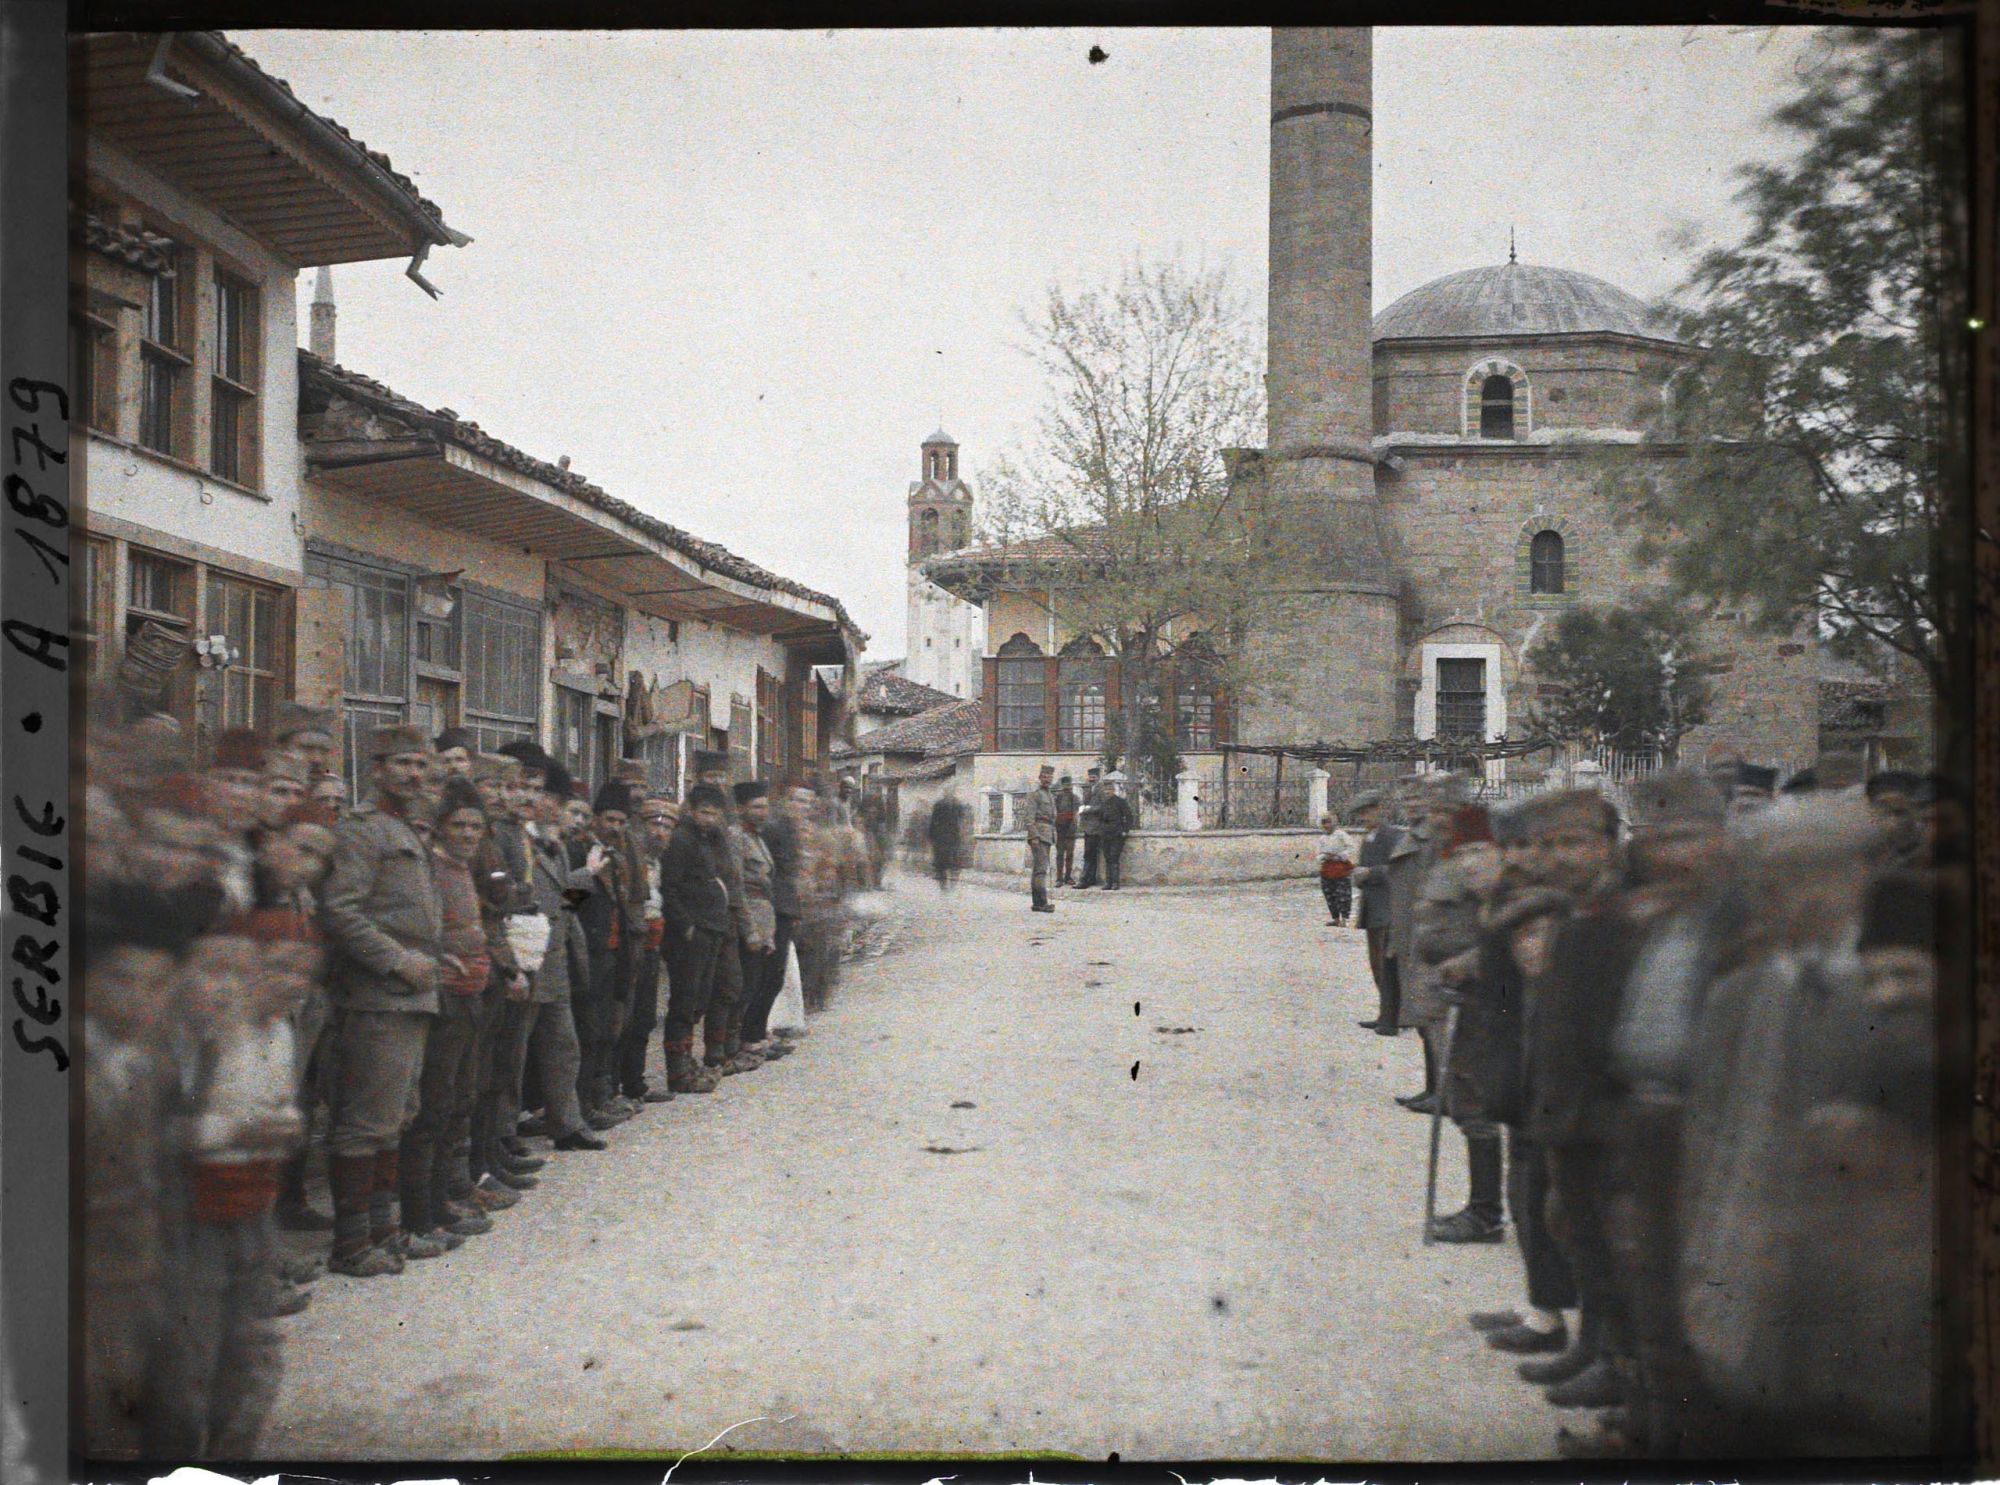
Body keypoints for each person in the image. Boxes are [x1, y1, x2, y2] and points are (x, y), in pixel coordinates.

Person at [316, 724, 444, 1278]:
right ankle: (351, 1243)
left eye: (420, 765)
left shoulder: (405, 829)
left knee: (396, 1117)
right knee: (367, 1121)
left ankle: (383, 1231)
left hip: (414, 995)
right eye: (402, 765)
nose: (414, 775)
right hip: (379, 996)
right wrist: (397, 960)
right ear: (376, 769)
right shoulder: (362, 831)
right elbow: (341, 910)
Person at [395, 779, 495, 1260]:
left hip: (471, 995)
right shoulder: (431, 870)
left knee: (458, 1100)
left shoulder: (463, 869)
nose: (469, 833)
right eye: (459, 825)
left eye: (476, 825)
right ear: (440, 829)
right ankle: (419, 1217)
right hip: (443, 999)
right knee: (431, 1111)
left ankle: (443, 1203)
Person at [1414, 804, 1509, 1243]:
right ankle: (1483, 1208)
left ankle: (1488, 1213)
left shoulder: (1512, 893)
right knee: (1470, 1105)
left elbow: (1512, 944)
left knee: (1491, 1110)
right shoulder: (1475, 886)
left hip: (1500, 1011)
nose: (1470, 860)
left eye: (1480, 849)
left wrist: (1468, 962)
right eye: (1464, 850)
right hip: (1468, 1005)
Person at [520, 760, 605, 1150]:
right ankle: (503, 1140)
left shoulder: (548, 843)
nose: (552, 806)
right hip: (524, 960)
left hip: (553, 963)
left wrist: (584, 877)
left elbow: (562, 904)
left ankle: (567, 1124)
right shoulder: (518, 841)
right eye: (551, 798)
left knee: (563, 1048)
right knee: (512, 1058)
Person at [1386, 773, 1468, 1107]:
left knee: (1439, 1021)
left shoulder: (1445, 842)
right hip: (1414, 940)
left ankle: (1445, 1092)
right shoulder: (1422, 838)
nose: (1418, 809)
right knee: (1424, 1019)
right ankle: (1434, 1088)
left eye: (1424, 802)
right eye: (1410, 801)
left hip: (1437, 944)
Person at [659, 783, 733, 1093]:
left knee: (700, 998)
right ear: (691, 811)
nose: (709, 819)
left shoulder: (710, 840)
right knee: (685, 1000)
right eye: (704, 812)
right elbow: (670, 887)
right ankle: (678, 1073)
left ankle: (688, 1063)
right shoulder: (681, 840)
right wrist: (685, 925)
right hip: (691, 932)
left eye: (715, 814)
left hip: (711, 927)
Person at [729, 782, 781, 1065]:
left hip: (762, 920)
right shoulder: (736, 838)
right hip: (745, 921)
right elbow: (737, 886)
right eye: (756, 807)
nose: (763, 812)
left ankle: (748, 1041)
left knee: (755, 983)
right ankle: (734, 1046)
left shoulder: (757, 838)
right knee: (743, 986)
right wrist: (750, 930)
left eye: (765, 806)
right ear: (740, 809)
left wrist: (767, 932)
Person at [1349, 789, 1404, 1034]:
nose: (1363, 817)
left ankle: (1395, 1015)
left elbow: (1398, 869)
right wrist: (1358, 876)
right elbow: (1364, 868)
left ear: (1379, 810)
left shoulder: (1392, 836)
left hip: (1388, 908)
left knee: (1387, 965)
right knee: (1376, 964)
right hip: (1371, 909)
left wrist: (1370, 873)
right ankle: (1386, 1013)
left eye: (1367, 812)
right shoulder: (1368, 838)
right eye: (1360, 814)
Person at [1025, 764, 1058, 913]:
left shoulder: (1050, 795)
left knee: (1039, 869)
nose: (1047, 779)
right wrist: (1034, 836)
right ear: (1040, 778)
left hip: (1047, 834)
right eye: (1044, 777)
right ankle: (1041, 903)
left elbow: (1052, 818)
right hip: (1039, 835)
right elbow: (1029, 818)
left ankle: (1037, 903)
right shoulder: (1035, 794)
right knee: (1040, 870)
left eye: (1049, 777)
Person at [1316, 813, 1358, 926]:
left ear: (1334, 823)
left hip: (1341, 867)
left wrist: (1340, 855)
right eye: (1324, 822)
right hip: (1327, 868)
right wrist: (1324, 856)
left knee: (1343, 894)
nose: (1326, 825)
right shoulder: (1322, 839)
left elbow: (1351, 847)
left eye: (1328, 822)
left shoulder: (1341, 835)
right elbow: (1318, 854)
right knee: (1329, 893)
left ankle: (1344, 918)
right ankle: (1335, 918)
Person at [1097, 773, 1136, 890]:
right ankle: (1108, 883)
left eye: (1109, 790)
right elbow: (1100, 818)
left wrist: (1125, 830)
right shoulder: (1103, 803)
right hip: (1105, 834)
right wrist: (1101, 829)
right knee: (1107, 858)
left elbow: (1129, 817)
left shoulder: (1120, 802)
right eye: (1106, 790)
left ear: (1113, 790)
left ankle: (1115, 883)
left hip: (1117, 834)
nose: (1107, 792)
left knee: (1114, 858)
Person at [928, 789, 966, 891]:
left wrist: (931, 836)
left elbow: (933, 822)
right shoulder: (955, 805)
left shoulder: (942, 805)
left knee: (944, 862)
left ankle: (945, 885)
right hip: (948, 837)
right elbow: (962, 821)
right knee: (948, 862)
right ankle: (947, 885)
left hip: (945, 837)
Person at [1075, 766, 1105, 887]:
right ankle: (1091, 878)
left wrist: (1089, 809)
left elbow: (1104, 807)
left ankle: (1083, 880)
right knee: (1091, 854)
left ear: (1098, 778)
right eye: (1090, 777)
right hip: (1088, 827)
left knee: (1088, 854)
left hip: (1096, 827)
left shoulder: (1101, 790)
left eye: (1094, 777)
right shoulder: (1088, 789)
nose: (1091, 779)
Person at [1053, 774, 1080, 885]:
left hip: (1071, 829)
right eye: (1065, 785)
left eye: (1069, 785)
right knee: (1060, 854)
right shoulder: (1057, 798)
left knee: (1069, 854)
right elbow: (1054, 812)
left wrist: (1073, 824)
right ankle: (1059, 878)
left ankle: (1068, 877)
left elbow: (1076, 812)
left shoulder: (1075, 798)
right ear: (1062, 786)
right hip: (1060, 829)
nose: (1067, 787)